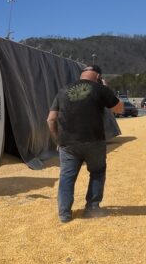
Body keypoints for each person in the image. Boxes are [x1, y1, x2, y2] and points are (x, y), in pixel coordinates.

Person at [46, 65, 124, 223]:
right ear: (98, 77)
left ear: (82, 75)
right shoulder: (100, 89)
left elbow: (51, 119)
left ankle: (64, 214)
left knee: (67, 177)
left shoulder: (63, 90)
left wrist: (58, 140)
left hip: (68, 143)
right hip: (94, 141)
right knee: (97, 172)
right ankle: (92, 208)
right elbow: (120, 109)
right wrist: (107, 88)